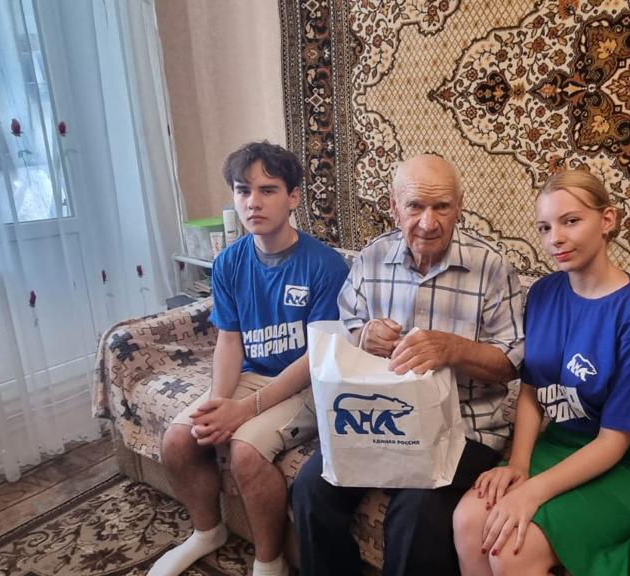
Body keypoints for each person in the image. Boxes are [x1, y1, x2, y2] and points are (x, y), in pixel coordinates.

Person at [291, 154, 526, 576]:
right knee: (311, 490)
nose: (428, 222)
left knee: (417, 513)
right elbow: (347, 329)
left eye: (442, 207)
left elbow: (511, 364)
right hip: (377, 421)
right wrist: (364, 336)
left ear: (459, 207)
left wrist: (454, 349)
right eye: (415, 206)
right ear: (394, 207)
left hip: (464, 426)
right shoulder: (371, 258)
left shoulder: (491, 266)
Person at [452, 169, 630, 576]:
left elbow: (613, 443)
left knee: (511, 550)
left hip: (623, 461)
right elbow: (532, 390)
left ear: (607, 220)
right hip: (559, 443)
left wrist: (532, 492)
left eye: (571, 221)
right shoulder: (543, 293)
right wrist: (518, 464)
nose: (555, 238)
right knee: (467, 520)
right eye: (545, 227)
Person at [150, 141, 349, 576]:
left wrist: (244, 411)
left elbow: (316, 359)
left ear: (293, 197)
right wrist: (219, 404)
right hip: (250, 376)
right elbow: (229, 340)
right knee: (180, 440)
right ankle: (207, 532)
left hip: (306, 384)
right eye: (243, 191)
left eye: (267, 190)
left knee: (245, 451)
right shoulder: (228, 262)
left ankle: (269, 561)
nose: (253, 202)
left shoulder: (326, 266)